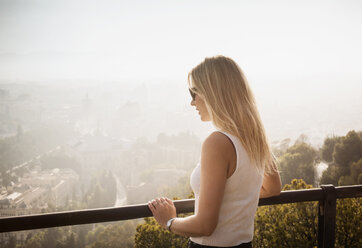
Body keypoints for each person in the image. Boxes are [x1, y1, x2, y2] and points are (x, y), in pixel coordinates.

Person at [148, 55, 282, 248]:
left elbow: (205, 226)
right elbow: (272, 189)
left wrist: (168, 221)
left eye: (194, 93)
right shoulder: (254, 137)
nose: (192, 102)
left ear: (212, 93)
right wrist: (234, 199)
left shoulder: (217, 143)